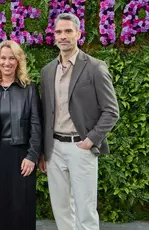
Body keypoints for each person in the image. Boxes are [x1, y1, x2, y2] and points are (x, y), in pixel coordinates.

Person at [38, 13, 119, 230]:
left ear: (78, 34)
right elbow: (44, 114)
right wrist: (43, 151)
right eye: (58, 32)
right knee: (61, 209)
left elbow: (111, 111)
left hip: (81, 147)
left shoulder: (95, 67)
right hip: (54, 149)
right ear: (53, 36)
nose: (63, 36)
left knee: (85, 209)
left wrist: (90, 140)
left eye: (68, 31)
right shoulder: (47, 71)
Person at [0, 40, 42, 230]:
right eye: (3, 58)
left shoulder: (29, 89)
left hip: (21, 157)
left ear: (18, 61)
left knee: (21, 208)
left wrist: (32, 156)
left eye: (12, 58)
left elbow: (36, 125)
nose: (7, 62)